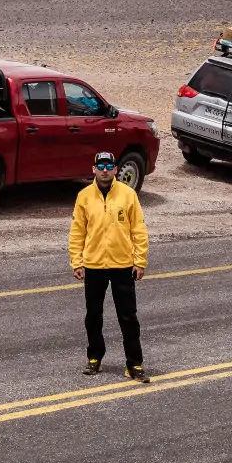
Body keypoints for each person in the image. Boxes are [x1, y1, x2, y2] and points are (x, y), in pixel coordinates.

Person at [69, 151, 150, 382]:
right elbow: (77, 233)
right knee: (93, 316)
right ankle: (94, 358)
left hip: (123, 264)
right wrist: (77, 261)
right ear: (93, 169)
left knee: (128, 317)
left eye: (109, 165)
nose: (105, 170)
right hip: (93, 265)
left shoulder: (128, 195)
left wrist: (139, 260)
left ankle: (135, 364)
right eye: (101, 166)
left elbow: (139, 230)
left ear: (116, 169)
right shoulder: (84, 196)